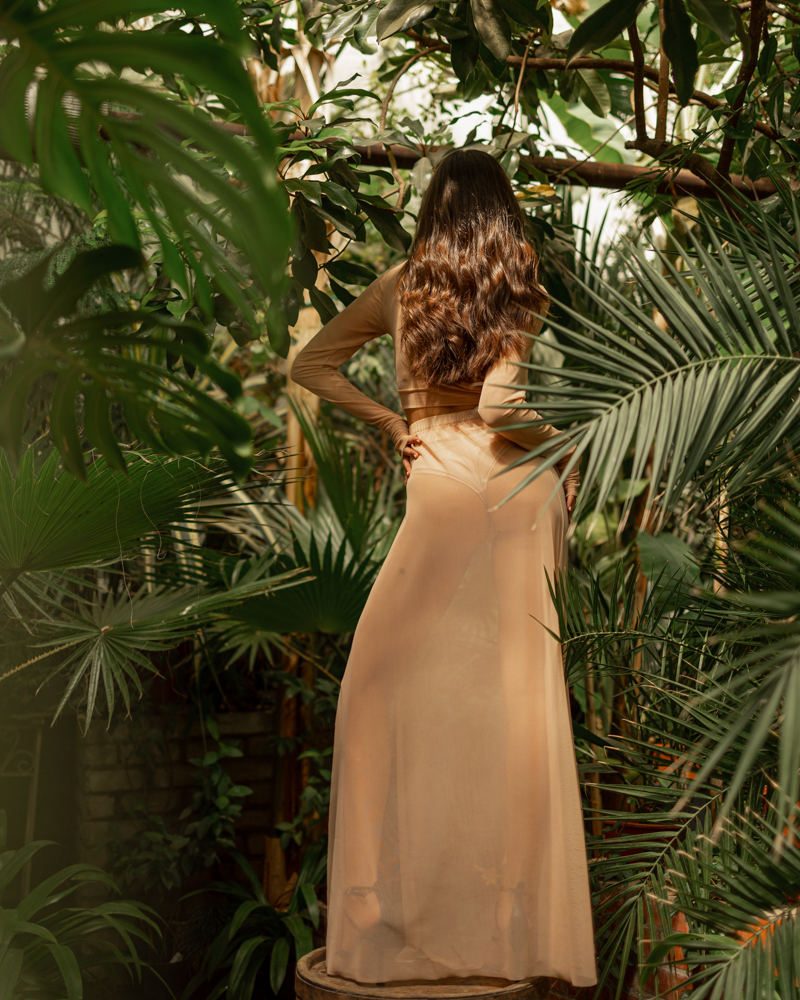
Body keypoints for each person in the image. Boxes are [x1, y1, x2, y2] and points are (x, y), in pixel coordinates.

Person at [290, 148, 596, 988]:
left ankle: (378, 919)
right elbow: (504, 406)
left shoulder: (401, 285)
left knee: (376, 686)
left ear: (432, 209)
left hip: (439, 477)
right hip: (518, 486)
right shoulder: (516, 279)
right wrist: (566, 447)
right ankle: (512, 928)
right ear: (502, 213)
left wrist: (395, 424)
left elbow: (309, 364)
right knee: (520, 703)